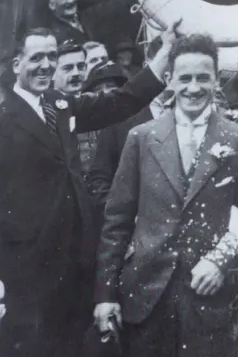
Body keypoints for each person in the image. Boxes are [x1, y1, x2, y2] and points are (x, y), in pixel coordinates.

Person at [0, 24, 176, 357]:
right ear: (16, 64)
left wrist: (163, 57)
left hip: (74, 261)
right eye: (36, 57)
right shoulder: (4, 116)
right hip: (26, 272)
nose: (46, 65)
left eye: (52, 56)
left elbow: (116, 103)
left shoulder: (58, 103)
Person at [93, 33, 238, 357]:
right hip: (145, 297)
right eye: (185, 78)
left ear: (217, 80)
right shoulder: (141, 138)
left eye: (203, 78)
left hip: (209, 294)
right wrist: (105, 295)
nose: (194, 88)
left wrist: (220, 263)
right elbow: (116, 223)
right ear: (168, 80)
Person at [86, 35, 171, 204]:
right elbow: (99, 182)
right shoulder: (119, 115)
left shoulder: (204, 117)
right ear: (150, 65)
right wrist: (126, 217)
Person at [47, 0, 135, 46]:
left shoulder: (87, 17)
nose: (71, 0)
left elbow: (114, 4)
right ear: (52, 5)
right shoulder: (54, 36)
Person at [77, 62, 129, 175]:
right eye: (98, 89)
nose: (105, 92)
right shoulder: (84, 130)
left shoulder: (135, 125)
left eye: (110, 86)